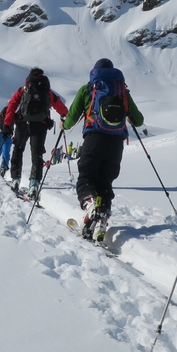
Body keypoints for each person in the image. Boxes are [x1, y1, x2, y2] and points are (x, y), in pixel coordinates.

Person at [61, 58, 144, 242]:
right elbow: (138, 120)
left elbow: (71, 118)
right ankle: (102, 219)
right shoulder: (122, 90)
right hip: (116, 143)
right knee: (105, 181)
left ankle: (90, 205)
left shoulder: (88, 88)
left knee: (86, 178)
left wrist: (63, 124)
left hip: (94, 139)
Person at [4, 68, 68, 195]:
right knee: (37, 154)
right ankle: (34, 183)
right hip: (40, 125)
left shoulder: (24, 89)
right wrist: (65, 116)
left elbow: (12, 105)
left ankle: (15, 179)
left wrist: (7, 124)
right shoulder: (47, 90)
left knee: (18, 150)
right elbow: (60, 107)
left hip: (23, 123)